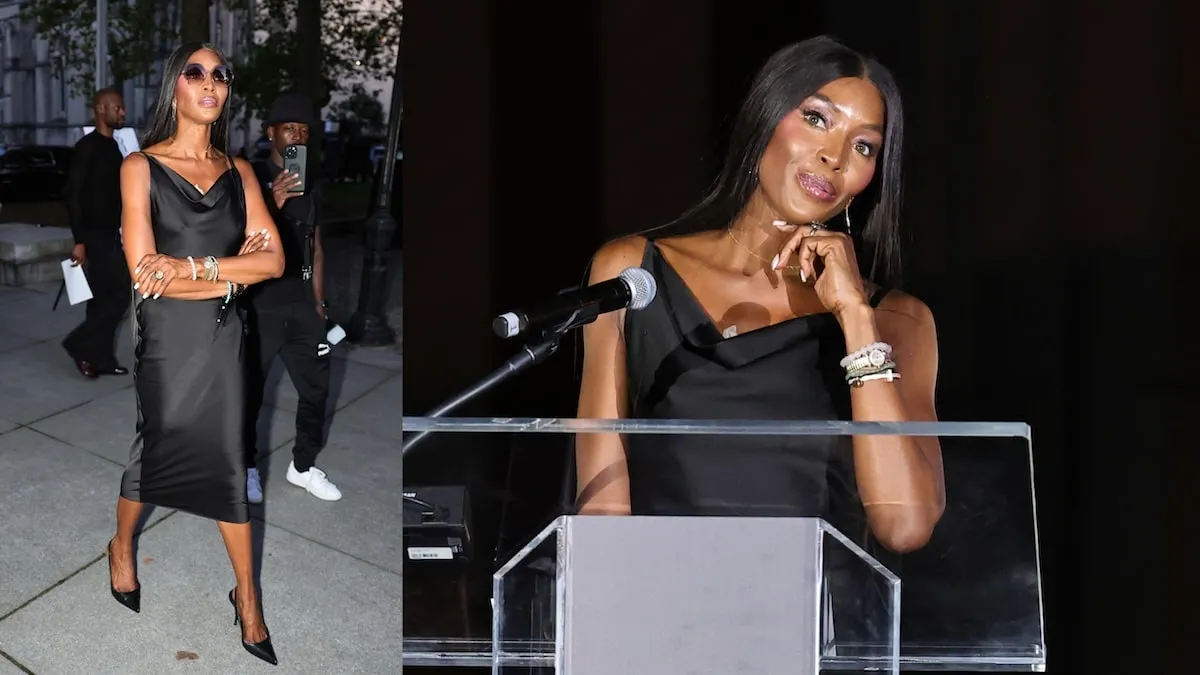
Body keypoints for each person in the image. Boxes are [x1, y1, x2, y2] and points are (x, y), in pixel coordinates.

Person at [575, 36, 946, 554]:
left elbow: (904, 527)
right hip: (666, 609)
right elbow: (601, 510)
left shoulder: (897, 318)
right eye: (817, 119)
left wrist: (856, 318)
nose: (834, 157)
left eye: (863, 146)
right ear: (766, 117)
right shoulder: (634, 273)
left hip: (812, 623)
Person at [106, 42, 285, 667]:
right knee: (154, 448)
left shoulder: (241, 172)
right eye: (195, 73)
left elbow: (276, 260)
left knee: (232, 461)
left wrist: (200, 269)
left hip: (223, 336)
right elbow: (143, 276)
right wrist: (237, 272)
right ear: (174, 88)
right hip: (166, 341)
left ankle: (249, 598)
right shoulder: (140, 169)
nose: (211, 84)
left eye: (220, 76)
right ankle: (121, 546)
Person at [242, 92, 341, 504]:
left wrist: (319, 304)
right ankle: (246, 466)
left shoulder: (310, 185)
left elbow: (315, 246)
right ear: (271, 134)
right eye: (289, 129)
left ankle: (302, 466)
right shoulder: (247, 177)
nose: (297, 136)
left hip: (301, 304)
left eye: (303, 130)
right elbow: (235, 239)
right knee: (249, 395)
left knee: (317, 391)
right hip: (261, 304)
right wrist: (274, 201)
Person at [62, 87, 129, 379]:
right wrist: (79, 240)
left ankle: (99, 358)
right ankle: (78, 344)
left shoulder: (114, 147)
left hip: (113, 235)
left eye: (122, 108)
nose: (122, 112)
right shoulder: (87, 147)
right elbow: (72, 195)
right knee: (120, 295)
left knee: (101, 299)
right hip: (95, 237)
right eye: (117, 107)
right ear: (100, 109)